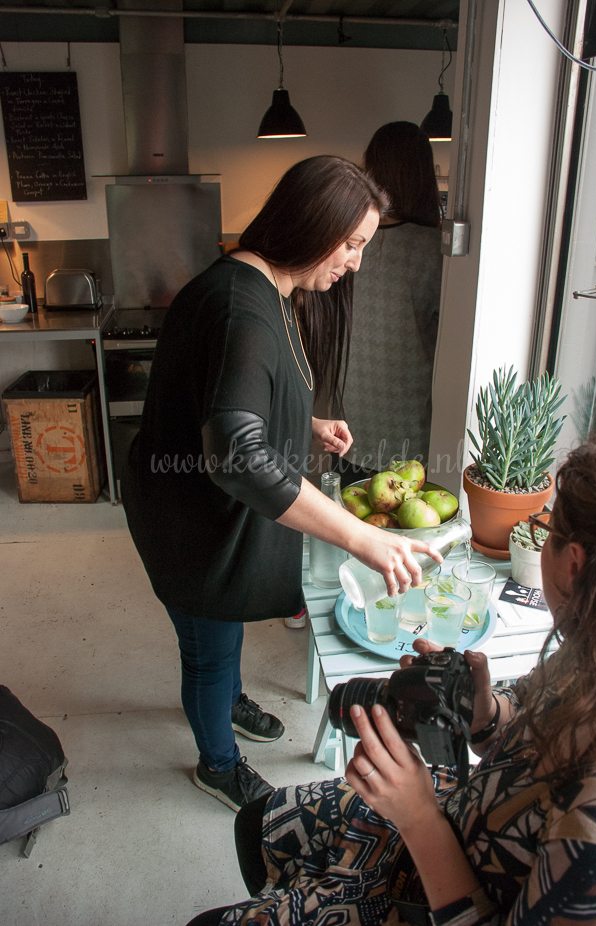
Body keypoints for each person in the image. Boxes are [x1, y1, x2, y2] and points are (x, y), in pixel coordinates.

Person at [188, 429, 596, 923]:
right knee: (256, 822)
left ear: (573, 563)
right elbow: (526, 711)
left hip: (439, 881)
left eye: (546, 530)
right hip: (456, 813)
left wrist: (417, 817)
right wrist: (486, 712)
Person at [121, 155, 442, 813]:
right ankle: (217, 764)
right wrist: (360, 536)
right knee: (207, 648)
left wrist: (306, 424)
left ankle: (227, 697)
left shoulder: (267, 288)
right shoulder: (239, 307)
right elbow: (238, 455)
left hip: (209, 508)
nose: (356, 262)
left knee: (224, 630)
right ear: (311, 224)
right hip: (191, 519)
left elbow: (231, 398)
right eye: (351, 244)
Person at [339, 121, 443, 486]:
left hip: (353, 414)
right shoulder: (435, 249)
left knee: (353, 506)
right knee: (409, 509)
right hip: (411, 419)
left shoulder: (350, 240)